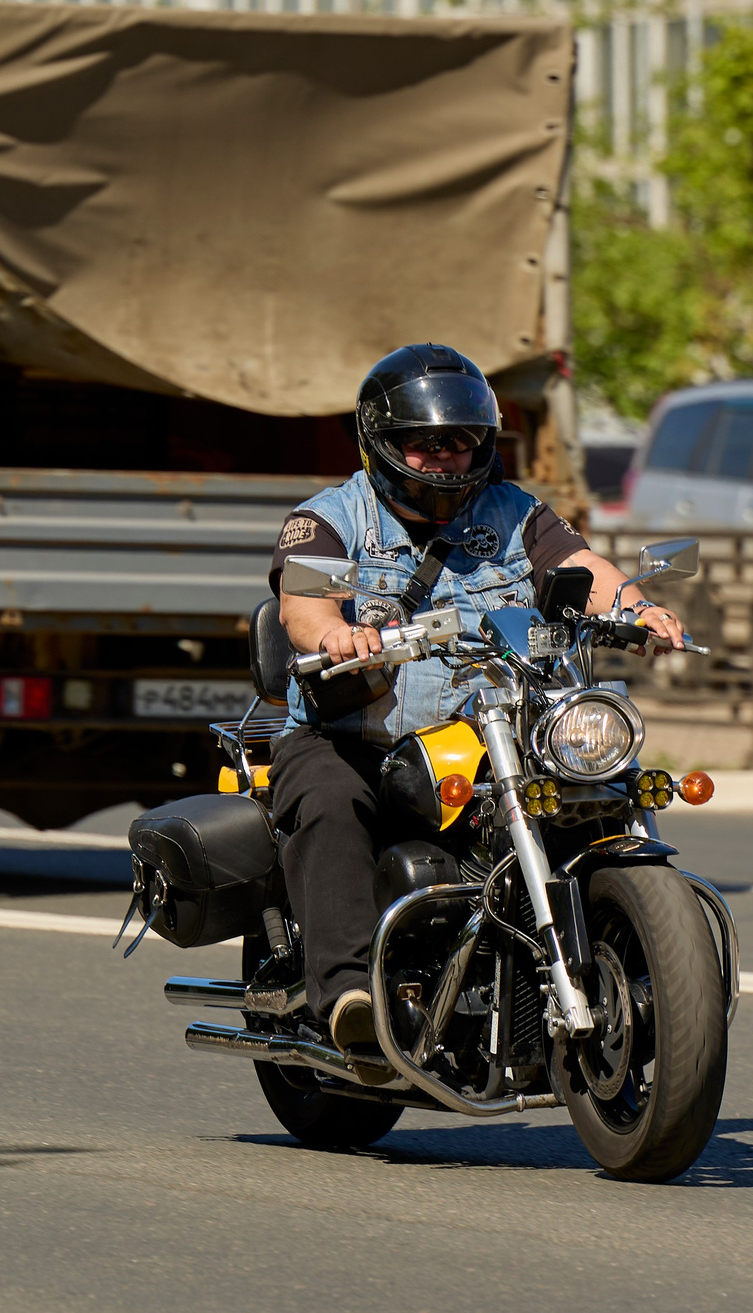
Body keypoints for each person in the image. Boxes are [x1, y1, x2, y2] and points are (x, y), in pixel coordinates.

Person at [267, 343, 686, 1072]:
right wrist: (339, 635)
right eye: (425, 444)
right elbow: (303, 607)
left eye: (460, 442)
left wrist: (638, 609)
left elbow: (582, 569)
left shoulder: (515, 511)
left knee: (592, 787)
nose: (445, 458)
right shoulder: (326, 520)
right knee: (332, 803)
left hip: (496, 733)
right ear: (384, 444)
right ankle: (347, 997)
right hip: (357, 736)